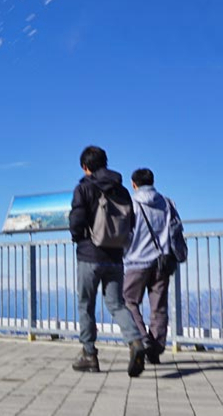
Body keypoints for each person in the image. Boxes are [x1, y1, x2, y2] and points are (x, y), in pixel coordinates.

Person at [68, 145, 146, 376]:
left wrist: (79, 238)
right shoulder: (121, 190)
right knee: (116, 304)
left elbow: (76, 220)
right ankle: (135, 340)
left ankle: (89, 355)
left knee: (86, 304)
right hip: (115, 257)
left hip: (89, 255)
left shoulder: (84, 188)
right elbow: (131, 222)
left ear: (85, 166)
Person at [123, 167, 184, 365]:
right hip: (162, 262)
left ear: (134, 184)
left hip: (136, 261)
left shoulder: (130, 204)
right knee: (159, 308)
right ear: (152, 181)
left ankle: (141, 341)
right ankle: (155, 350)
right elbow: (176, 231)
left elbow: (125, 233)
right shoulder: (167, 203)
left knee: (128, 302)